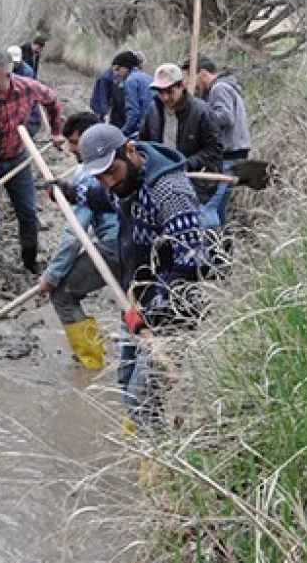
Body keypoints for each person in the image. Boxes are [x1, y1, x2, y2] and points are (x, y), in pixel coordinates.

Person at [75, 123, 210, 429]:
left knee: (142, 398)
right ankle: (143, 450)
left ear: (131, 151)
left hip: (171, 312)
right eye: (101, 176)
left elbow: (191, 262)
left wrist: (153, 314)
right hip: (136, 301)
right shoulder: (122, 184)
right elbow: (100, 196)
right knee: (125, 378)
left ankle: (163, 466)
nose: (109, 182)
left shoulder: (170, 191)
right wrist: (67, 190)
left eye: (113, 172)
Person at [0, 48, 65, 278]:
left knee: (28, 213)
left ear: (8, 75)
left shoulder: (27, 88)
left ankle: (30, 261)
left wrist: (56, 131)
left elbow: (53, 101)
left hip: (18, 158)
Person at [39, 112, 119, 370]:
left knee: (62, 295)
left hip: (116, 246)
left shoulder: (88, 174)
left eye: (75, 143)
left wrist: (53, 274)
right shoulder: (119, 159)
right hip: (136, 241)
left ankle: (91, 363)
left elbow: (75, 234)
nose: (71, 150)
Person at [138, 63, 224, 207]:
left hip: (195, 180)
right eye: (160, 92)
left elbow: (214, 149)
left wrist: (186, 164)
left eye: (169, 91)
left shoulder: (201, 112)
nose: (165, 97)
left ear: (181, 86)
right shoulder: (153, 110)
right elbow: (144, 141)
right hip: (159, 179)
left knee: (205, 219)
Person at [182, 55, 251, 228]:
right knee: (218, 206)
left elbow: (226, 118)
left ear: (203, 73)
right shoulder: (225, 87)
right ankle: (222, 247)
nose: (193, 84)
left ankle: (209, 247)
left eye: (192, 77)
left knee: (208, 207)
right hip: (234, 153)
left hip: (230, 154)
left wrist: (200, 119)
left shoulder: (219, 89)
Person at [112, 50, 152, 138]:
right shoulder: (149, 78)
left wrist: (122, 133)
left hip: (139, 132)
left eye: (118, 69)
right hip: (153, 129)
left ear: (126, 67)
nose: (117, 73)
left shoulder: (130, 81)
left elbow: (133, 113)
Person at [7, 45, 43, 137]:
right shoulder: (5, 70)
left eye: (16, 62)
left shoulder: (27, 72)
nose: (15, 64)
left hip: (30, 118)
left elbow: (24, 98)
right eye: (13, 62)